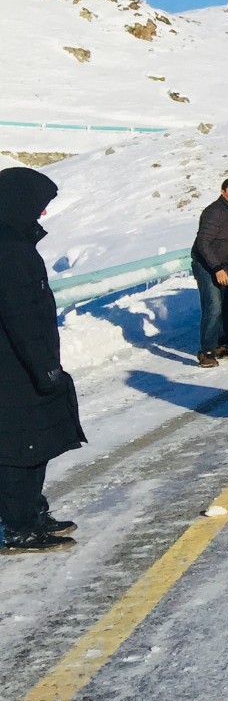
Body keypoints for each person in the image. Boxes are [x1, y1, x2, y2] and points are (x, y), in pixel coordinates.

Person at [0, 167, 84, 553]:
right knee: (20, 447)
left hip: (21, 363)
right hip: (14, 368)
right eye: (39, 205)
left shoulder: (15, 241)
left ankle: (31, 512)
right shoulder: (9, 249)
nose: (43, 214)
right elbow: (21, 317)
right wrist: (44, 366)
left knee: (35, 441)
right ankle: (19, 526)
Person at [192, 175, 228, 367]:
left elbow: (226, 237)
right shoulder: (214, 212)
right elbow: (203, 243)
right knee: (214, 307)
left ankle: (221, 345)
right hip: (208, 266)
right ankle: (206, 352)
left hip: (223, 265)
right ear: (223, 192)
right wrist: (216, 268)